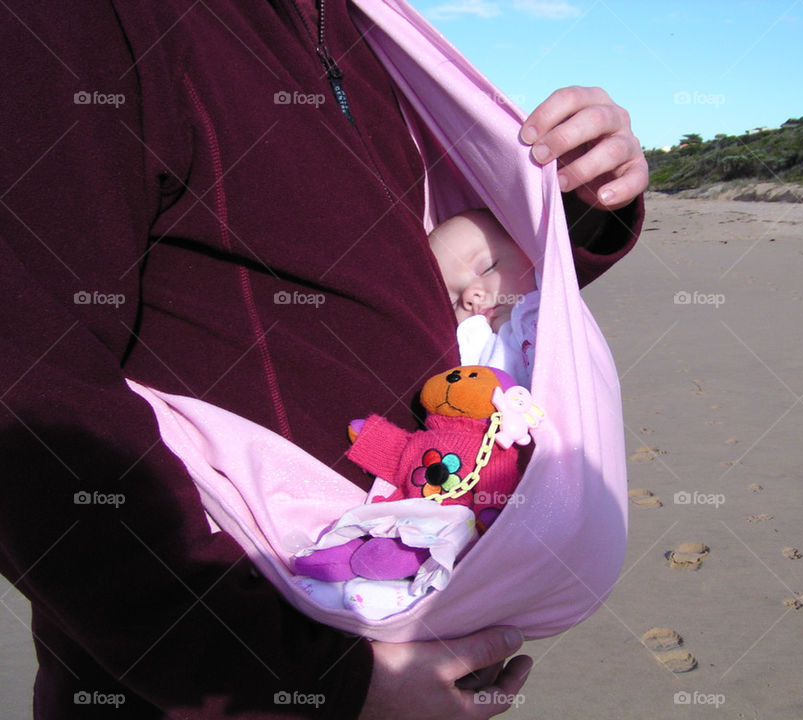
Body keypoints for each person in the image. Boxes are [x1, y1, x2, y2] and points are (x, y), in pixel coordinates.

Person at [0, 1, 648, 718]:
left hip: (405, 634)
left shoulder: (362, 26)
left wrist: (579, 200)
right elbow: (30, 381)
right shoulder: (85, 20)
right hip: (237, 681)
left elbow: (423, 281)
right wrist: (309, 679)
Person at [429, 209, 539, 387]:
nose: (470, 295)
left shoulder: (549, 303)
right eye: (453, 302)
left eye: (487, 268)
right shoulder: (470, 356)